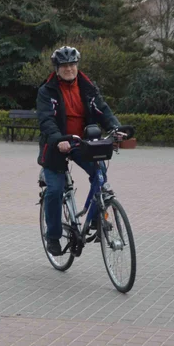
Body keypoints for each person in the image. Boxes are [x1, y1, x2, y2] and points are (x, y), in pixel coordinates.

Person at [37, 46, 124, 257]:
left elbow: (102, 109)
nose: (69, 69)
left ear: (77, 66)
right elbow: (46, 120)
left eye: (72, 65)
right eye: (64, 66)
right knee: (56, 190)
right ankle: (53, 236)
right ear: (57, 69)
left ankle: (95, 218)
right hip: (57, 144)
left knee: (100, 174)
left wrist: (115, 128)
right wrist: (58, 140)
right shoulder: (46, 91)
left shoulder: (87, 87)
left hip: (83, 143)